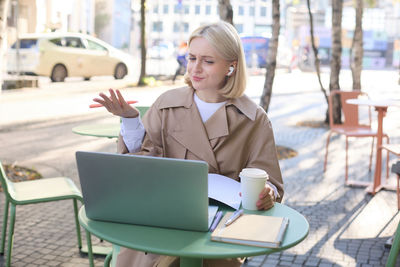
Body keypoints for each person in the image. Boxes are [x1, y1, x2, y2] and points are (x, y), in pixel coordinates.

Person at [93, 21, 284, 267]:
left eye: (208, 61)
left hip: (221, 235)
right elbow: (142, 163)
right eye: (192, 58)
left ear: (231, 66)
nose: (195, 68)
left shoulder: (254, 119)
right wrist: (130, 120)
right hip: (164, 221)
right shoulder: (166, 104)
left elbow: (270, 181)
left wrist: (267, 192)